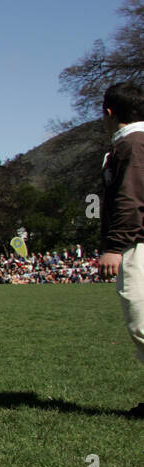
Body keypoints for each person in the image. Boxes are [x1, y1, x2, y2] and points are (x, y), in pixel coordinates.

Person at [98, 81, 144, 416]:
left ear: (110, 112)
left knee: (141, 323)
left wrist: (114, 247)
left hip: (136, 245)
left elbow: (129, 200)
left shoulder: (132, 146)